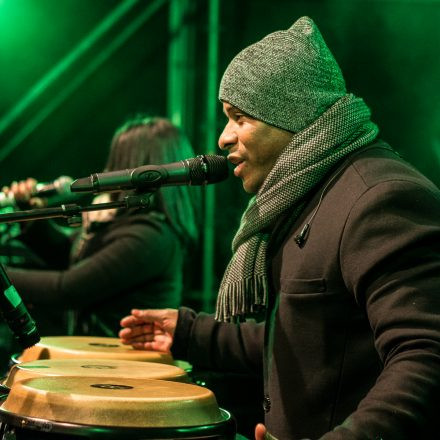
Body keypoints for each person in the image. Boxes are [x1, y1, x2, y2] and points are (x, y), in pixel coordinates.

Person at [119, 17, 440, 440]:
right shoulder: (308, 195)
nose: (222, 138)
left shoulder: (380, 198)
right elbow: (306, 338)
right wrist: (190, 333)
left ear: (291, 113)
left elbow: (425, 356)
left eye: (239, 118)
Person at [3, 116, 201, 339]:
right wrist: (30, 214)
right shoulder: (118, 222)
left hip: (126, 367)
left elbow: (68, 289)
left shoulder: (151, 237)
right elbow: (70, 254)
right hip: (102, 361)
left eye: (117, 159)